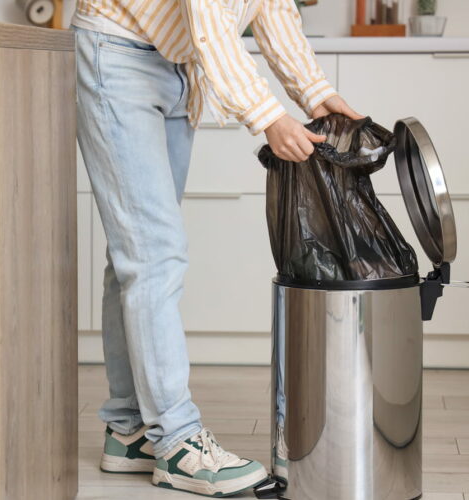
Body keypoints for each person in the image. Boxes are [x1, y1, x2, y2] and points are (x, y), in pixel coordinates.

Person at [72, 0, 362, 496]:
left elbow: (270, 9)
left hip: (179, 69)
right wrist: (268, 115)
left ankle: (129, 429)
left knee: (133, 258)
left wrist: (316, 93)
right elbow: (210, 24)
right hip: (115, 55)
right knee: (152, 257)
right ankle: (178, 443)